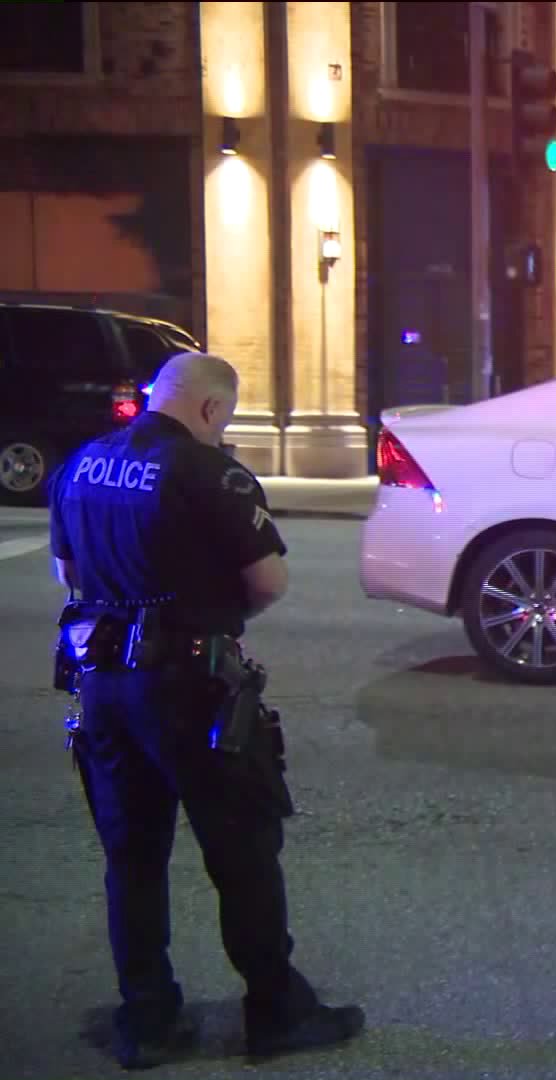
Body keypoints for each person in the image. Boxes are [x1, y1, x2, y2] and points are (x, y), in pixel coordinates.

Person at [48, 352, 364, 1067]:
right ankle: (276, 1011)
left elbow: (65, 571)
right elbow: (269, 581)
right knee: (243, 852)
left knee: (131, 857)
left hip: (103, 687)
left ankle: (148, 1019)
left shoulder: (83, 464)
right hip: (191, 688)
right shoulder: (209, 472)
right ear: (214, 410)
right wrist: (217, 615)